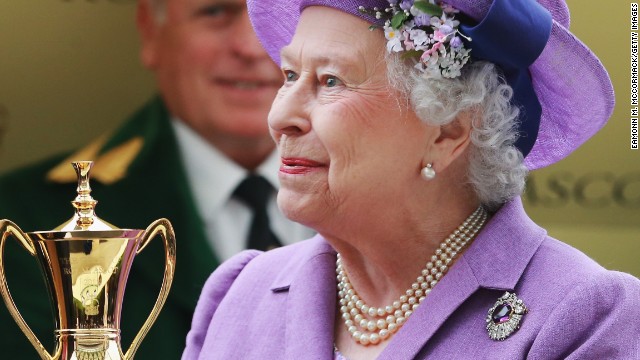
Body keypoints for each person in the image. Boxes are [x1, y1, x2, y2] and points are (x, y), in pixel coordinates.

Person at [182, 0, 640, 358]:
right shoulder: (240, 294)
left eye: (331, 81)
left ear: (448, 131)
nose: (281, 117)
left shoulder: (583, 318)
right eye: (288, 75)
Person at [0, 0, 312, 358]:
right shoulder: (26, 221)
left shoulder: (387, 203)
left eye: (278, 14)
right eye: (215, 12)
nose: (251, 46)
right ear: (150, 29)